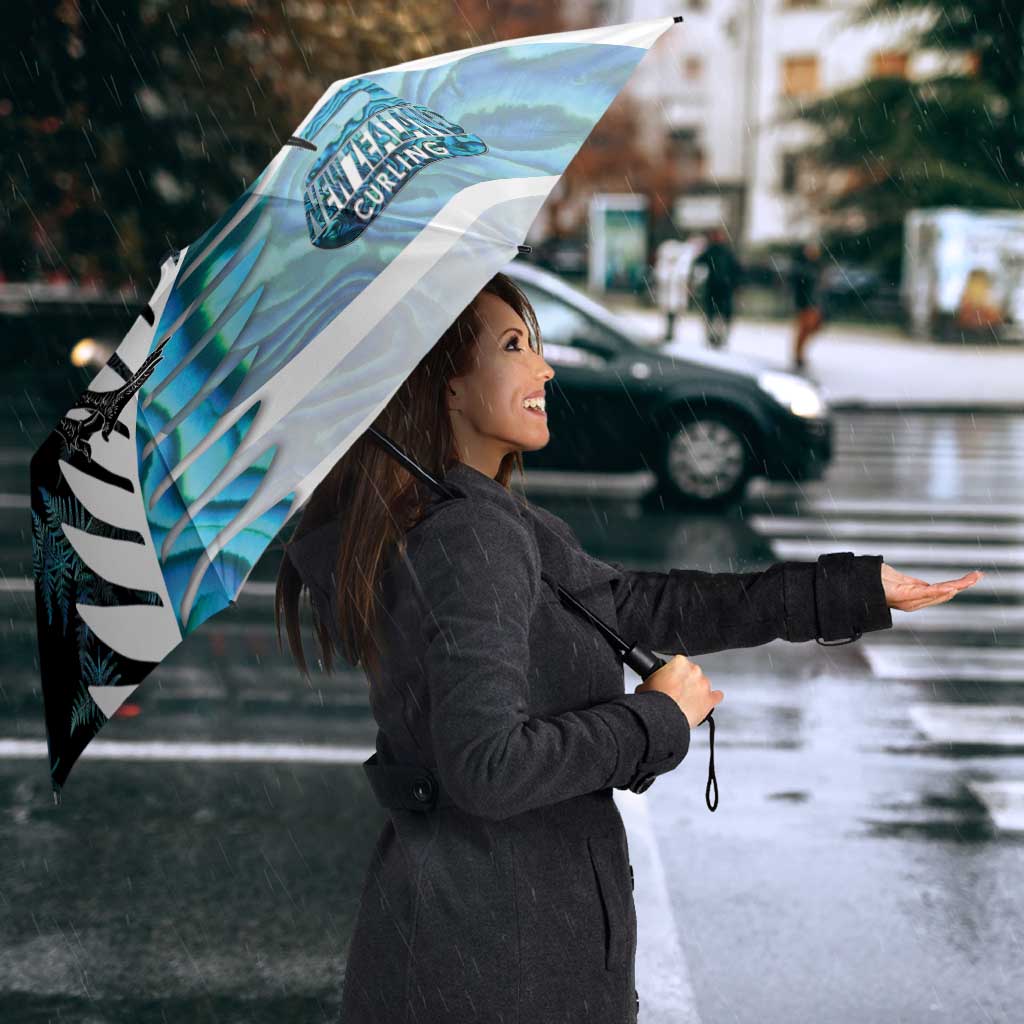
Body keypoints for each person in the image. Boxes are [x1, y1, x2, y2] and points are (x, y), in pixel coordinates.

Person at [275, 272, 981, 1024]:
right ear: (444, 387)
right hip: (496, 963)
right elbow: (487, 768)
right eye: (514, 346)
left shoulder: (480, 519)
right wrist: (655, 718)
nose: (544, 368)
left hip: (484, 943)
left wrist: (850, 590)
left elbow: (642, 605)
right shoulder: (469, 537)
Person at [692, 226, 742, 349]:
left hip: (723, 288)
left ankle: (719, 337)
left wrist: (735, 284)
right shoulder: (712, 251)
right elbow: (698, 264)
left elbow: (736, 270)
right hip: (715, 288)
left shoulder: (725, 252)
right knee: (713, 314)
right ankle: (713, 337)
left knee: (720, 315)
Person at [790, 239, 826, 370]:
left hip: (814, 303)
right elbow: (799, 286)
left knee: (812, 328)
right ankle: (798, 355)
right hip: (805, 303)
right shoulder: (802, 267)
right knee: (804, 329)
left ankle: (799, 354)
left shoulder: (817, 266)